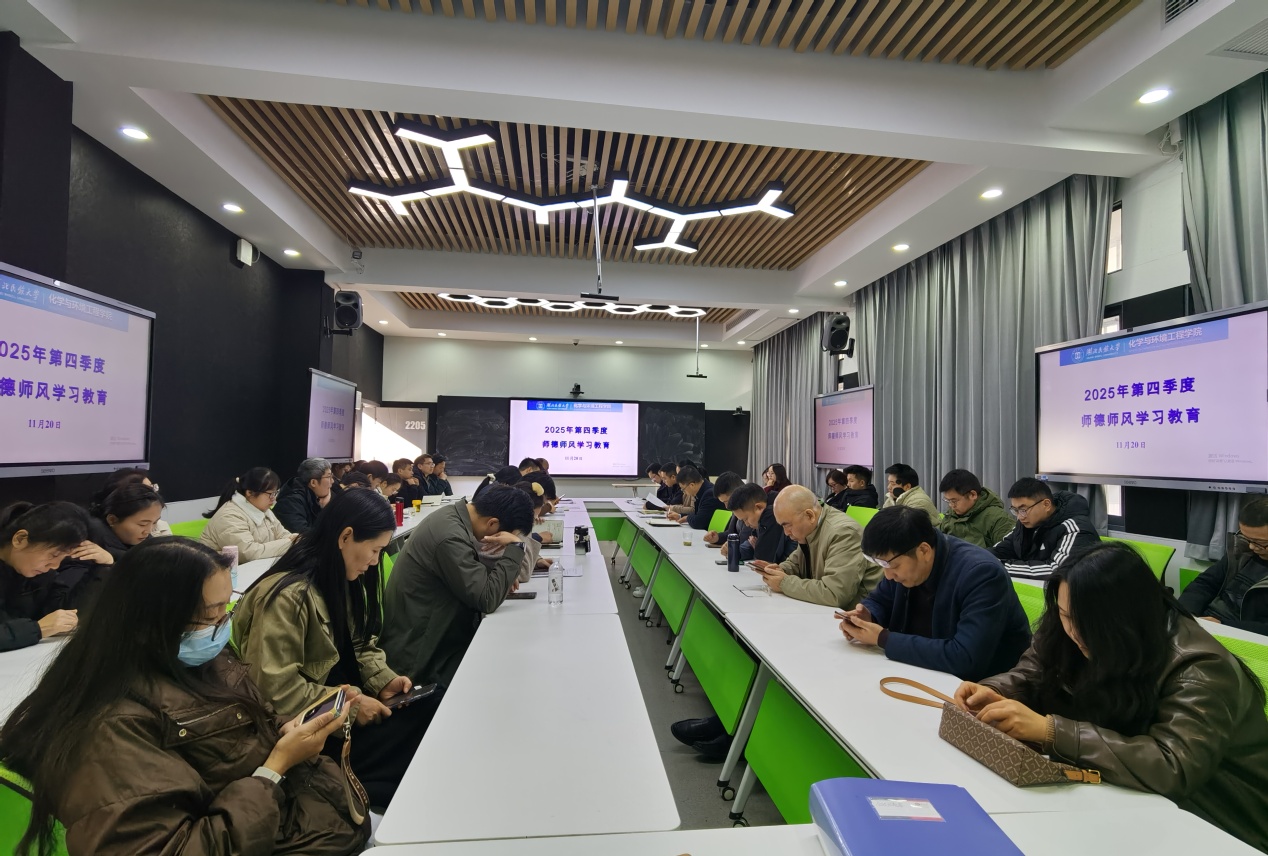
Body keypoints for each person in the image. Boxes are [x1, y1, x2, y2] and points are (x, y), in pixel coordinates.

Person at [0, 537, 367, 856]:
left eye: (226, 608)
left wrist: (283, 730)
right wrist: (274, 769)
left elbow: (241, 728)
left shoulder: (197, 657)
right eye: (211, 615)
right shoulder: (110, 729)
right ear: (155, 620)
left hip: (305, 819)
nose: (223, 625)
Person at [955, 544, 1268, 852]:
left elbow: (1173, 766)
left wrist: (1051, 731)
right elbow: (1035, 670)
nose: (1074, 631)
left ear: (1128, 615)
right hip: (1116, 795)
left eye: (1086, 621)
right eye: (1064, 614)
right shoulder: (1077, 628)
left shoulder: (1199, 667)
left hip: (1215, 825)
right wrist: (997, 691)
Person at [233, 489, 438, 807]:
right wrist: (351, 708)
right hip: (315, 735)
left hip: (341, 711)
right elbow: (274, 690)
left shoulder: (339, 579)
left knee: (432, 705)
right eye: (374, 550)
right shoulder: (288, 597)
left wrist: (383, 680)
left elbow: (359, 645)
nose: (375, 562)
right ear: (345, 537)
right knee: (422, 744)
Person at [837, 506, 1031, 679]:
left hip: (983, 689)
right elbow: (880, 600)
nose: (887, 575)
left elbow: (965, 658)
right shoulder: (904, 560)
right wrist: (868, 615)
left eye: (891, 565)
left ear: (924, 550)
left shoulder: (981, 574)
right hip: (920, 670)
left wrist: (883, 638)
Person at [380, 485, 534, 687]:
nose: (501, 543)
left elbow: (472, 577)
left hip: (435, 635)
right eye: (504, 537)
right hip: (421, 659)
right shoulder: (450, 536)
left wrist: (501, 573)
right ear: (492, 523)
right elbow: (487, 598)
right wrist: (515, 548)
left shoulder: (453, 517)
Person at [749, 486, 882, 608]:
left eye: (787, 525)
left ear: (810, 515)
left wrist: (784, 583)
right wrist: (779, 570)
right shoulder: (810, 529)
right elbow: (796, 563)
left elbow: (835, 593)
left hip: (854, 614)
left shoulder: (843, 533)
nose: (786, 532)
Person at [0, 502, 89, 650]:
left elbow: (61, 609)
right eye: (53, 555)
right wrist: (38, 629)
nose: (55, 565)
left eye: (62, 559)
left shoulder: (41, 574)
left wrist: (101, 568)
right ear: (20, 539)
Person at [1179, 497, 1268, 634]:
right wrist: (1186, 613)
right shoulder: (1242, 552)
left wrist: (1222, 625)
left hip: (1240, 634)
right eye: (1247, 539)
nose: (1251, 546)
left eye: (1260, 543)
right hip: (1206, 623)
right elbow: (1205, 583)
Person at [992, 478, 1100, 579]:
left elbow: (1057, 570)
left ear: (1046, 504)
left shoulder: (1075, 528)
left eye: (1023, 510)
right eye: (1015, 510)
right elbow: (1000, 550)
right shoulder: (1026, 524)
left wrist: (998, 566)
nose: (1019, 517)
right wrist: (984, 559)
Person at [200, 467, 295, 561]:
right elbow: (249, 553)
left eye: (275, 493)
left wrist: (296, 540)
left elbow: (283, 534)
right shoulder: (229, 516)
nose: (273, 498)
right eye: (270, 494)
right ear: (249, 492)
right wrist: (290, 543)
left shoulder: (263, 509)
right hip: (220, 568)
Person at [936, 468, 1015, 549]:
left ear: (972, 495)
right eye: (947, 500)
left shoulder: (998, 519)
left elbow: (1005, 551)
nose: (951, 505)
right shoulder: (950, 515)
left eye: (954, 501)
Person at [85, 483, 165, 560]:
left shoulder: (150, 546)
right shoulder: (90, 550)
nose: (148, 531)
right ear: (112, 520)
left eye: (155, 522)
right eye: (142, 524)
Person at [725, 482, 795, 563]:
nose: (746, 524)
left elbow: (765, 559)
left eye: (746, 519)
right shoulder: (759, 520)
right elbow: (750, 546)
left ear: (758, 507)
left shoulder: (771, 515)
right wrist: (732, 551)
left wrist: (757, 547)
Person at [92, 468, 172, 536]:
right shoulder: (96, 539)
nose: (154, 495)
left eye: (153, 488)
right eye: (142, 524)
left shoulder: (160, 527)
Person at [274, 457, 334, 535]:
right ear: (313, 482)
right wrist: (324, 510)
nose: (332, 481)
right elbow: (304, 535)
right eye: (328, 477)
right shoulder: (290, 502)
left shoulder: (319, 496)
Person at [702, 472, 745, 549]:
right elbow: (733, 533)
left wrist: (735, 549)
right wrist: (718, 537)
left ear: (737, 492)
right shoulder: (736, 507)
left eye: (727, 501)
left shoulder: (751, 510)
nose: (727, 507)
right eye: (723, 503)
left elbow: (747, 541)